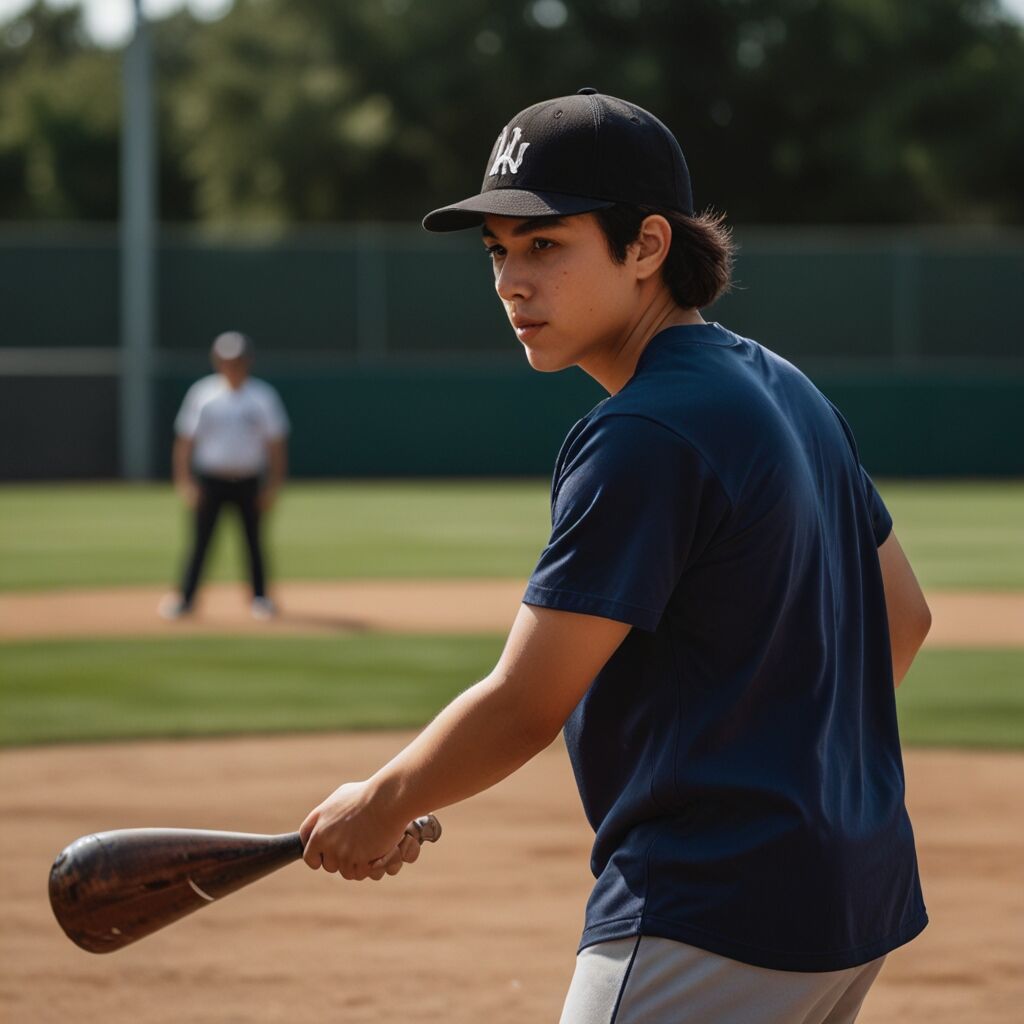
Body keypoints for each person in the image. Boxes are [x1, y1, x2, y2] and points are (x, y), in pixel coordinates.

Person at [299, 89, 933, 1023]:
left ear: (647, 247)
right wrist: (792, 768)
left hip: (711, 910)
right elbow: (905, 618)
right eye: (499, 252)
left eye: (546, 245)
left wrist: (383, 801)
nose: (512, 281)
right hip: (851, 895)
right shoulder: (784, 386)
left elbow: (525, 704)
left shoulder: (644, 429)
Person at [159, 331, 289, 621]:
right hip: (211, 479)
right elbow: (185, 442)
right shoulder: (203, 394)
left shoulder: (262, 396)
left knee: (254, 543)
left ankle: (260, 598)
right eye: (227, 360)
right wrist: (184, 482)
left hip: (249, 480)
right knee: (200, 543)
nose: (232, 366)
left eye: (238, 360)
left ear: (248, 361)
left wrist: (273, 486)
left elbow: (276, 445)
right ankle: (186, 599)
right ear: (217, 361)